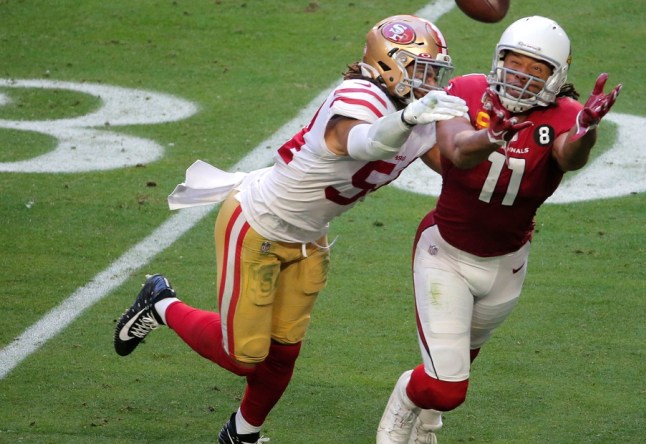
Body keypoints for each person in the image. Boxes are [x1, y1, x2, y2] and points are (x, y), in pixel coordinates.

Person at [113, 14, 467, 444]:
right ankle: (160, 302)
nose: (431, 83)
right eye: (422, 70)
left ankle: (241, 434)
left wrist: (502, 158)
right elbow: (363, 142)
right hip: (258, 224)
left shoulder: (418, 114)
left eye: (435, 73)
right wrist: (410, 120)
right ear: (389, 63)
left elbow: (455, 168)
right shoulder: (359, 96)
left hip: (310, 238)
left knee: (282, 355)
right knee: (243, 356)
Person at [375, 15, 622, 443]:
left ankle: (426, 421)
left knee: (456, 365)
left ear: (556, 75)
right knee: (447, 388)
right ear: (498, 59)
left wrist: (586, 129)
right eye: (515, 62)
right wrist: (492, 137)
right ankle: (404, 404)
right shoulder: (468, 90)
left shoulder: (564, 113)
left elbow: (569, 157)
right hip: (446, 254)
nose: (523, 75)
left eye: (537, 68)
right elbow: (455, 149)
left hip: (507, 265)